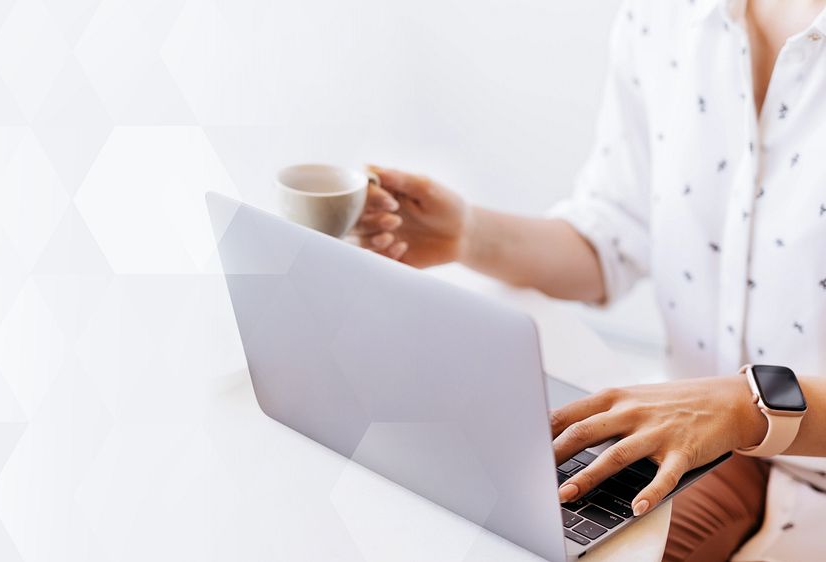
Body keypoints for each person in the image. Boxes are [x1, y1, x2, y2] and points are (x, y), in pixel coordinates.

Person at [353, 0, 826, 560]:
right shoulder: (663, 15)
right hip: (689, 441)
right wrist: (468, 236)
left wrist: (748, 407)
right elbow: (616, 232)